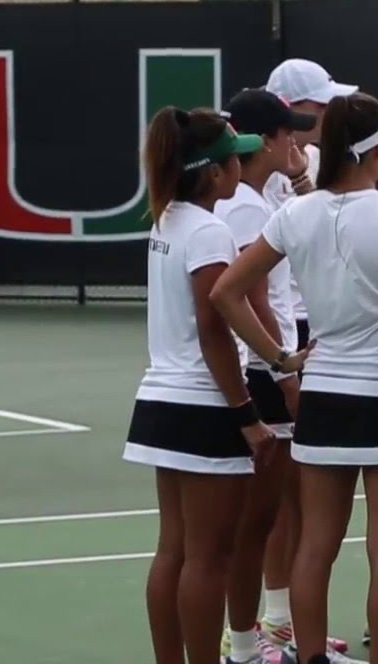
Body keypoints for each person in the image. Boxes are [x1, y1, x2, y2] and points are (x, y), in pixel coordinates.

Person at [210, 92, 378, 664]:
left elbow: (227, 292)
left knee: (314, 546)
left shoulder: (293, 214)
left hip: (323, 398)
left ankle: (308, 658)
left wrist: (282, 358)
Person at [123, 106, 277, 664]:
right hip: (203, 409)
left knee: (176, 550)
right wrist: (247, 416)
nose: (242, 162)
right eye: (234, 156)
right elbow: (215, 329)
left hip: (162, 403)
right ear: (214, 172)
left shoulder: (167, 218)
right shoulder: (210, 230)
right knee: (209, 557)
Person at [257, 58, 359, 658]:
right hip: (283, 343)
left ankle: (286, 622)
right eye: (318, 108)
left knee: (299, 493)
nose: (327, 115)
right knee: (275, 496)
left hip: (309, 332)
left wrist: (300, 176)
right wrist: (281, 362)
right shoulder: (249, 181)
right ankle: (264, 623)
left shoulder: (315, 165)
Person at [213, 89, 316, 664]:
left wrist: (297, 174)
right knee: (258, 521)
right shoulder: (249, 208)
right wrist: (286, 376)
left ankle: (266, 633)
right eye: (286, 133)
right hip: (265, 376)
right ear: (262, 141)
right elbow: (261, 300)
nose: (295, 139)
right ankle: (249, 644)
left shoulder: (253, 196)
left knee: (264, 517)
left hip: (258, 373)